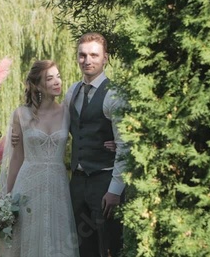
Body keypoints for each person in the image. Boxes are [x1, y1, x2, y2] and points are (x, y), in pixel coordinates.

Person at [0, 60, 80, 257]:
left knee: (58, 241)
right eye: (49, 78)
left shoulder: (67, 112)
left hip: (57, 186)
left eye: (58, 76)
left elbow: (86, 136)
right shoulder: (21, 114)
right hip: (27, 186)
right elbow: (17, 158)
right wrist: (7, 199)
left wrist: (109, 143)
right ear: (37, 85)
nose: (57, 82)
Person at [64, 32, 127, 257]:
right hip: (78, 183)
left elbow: (125, 146)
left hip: (104, 181)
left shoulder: (114, 95)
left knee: (109, 246)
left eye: (93, 55)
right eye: (82, 55)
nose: (87, 60)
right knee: (82, 248)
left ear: (105, 58)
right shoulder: (72, 92)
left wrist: (115, 191)